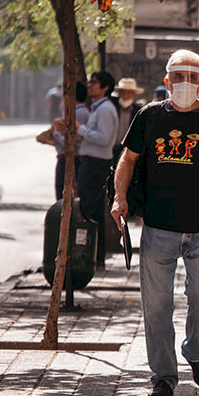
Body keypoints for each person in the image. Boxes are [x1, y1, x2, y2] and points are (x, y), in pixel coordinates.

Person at [110, 49, 199, 396]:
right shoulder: (149, 116)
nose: (185, 83)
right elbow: (128, 159)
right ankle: (164, 377)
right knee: (156, 307)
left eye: (193, 77)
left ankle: (196, 353)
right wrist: (119, 197)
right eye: (178, 77)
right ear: (167, 81)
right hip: (158, 228)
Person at [54, 71, 118, 268]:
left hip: (96, 164)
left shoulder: (105, 110)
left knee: (86, 211)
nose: (89, 85)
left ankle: (85, 256)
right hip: (93, 163)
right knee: (94, 212)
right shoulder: (98, 109)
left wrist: (80, 129)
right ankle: (94, 257)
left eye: (94, 82)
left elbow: (104, 138)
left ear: (105, 87)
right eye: (89, 82)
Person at [50, 82, 89, 200]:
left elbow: (71, 139)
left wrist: (55, 134)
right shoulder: (81, 111)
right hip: (71, 158)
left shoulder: (77, 113)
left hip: (70, 158)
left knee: (64, 196)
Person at [112, 78, 144, 160]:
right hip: (110, 149)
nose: (125, 96)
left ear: (134, 95)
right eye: (123, 92)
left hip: (127, 151)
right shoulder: (112, 107)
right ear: (118, 93)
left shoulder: (139, 112)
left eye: (129, 92)